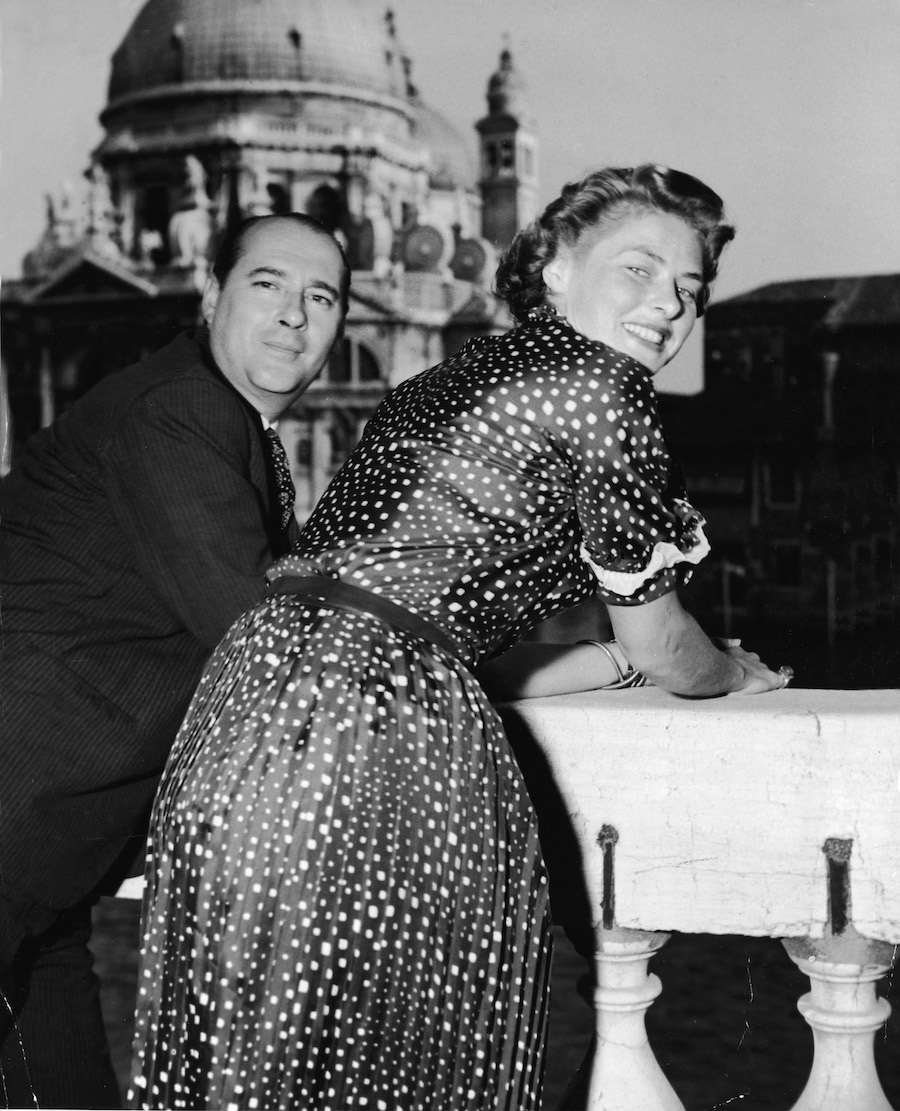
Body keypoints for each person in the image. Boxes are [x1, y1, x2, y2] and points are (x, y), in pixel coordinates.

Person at [129, 165, 787, 1111]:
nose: (670, 306)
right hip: (370, 746)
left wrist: (598, 662)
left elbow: (422, 637)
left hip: (248, 715)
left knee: (257, 1061)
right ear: (554, 266)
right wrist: (733, 672)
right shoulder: (601, 387)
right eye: (639, 269)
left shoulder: (447, 379)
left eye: (690, 288)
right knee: (400, 1066)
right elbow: (668, 650)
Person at [0, 212, 349, 1109]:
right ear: (210, 295)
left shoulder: (220, 421)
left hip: (47, 866)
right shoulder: (184, 409)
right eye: (267, 285)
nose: (293, 318)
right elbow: (260, 639)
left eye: (321, 296)